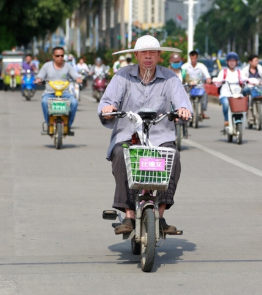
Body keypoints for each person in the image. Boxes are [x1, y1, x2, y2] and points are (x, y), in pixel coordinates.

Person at [98, 35, 192, 234]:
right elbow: (107, 101)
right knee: (121, 156)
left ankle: (160, 214)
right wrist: (108, 108)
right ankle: (129, 215)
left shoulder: (170, 78)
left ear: (159, 56)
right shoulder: (122, 76)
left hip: (161, 137)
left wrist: (183, 109)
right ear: (136, 55)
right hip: (127, 136)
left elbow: (182, 101)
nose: (148, 57)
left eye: (152, 53)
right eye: (144, 53)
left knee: (173, 157)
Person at [35, 47, 83, 128]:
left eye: (62, 55)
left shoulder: (68, 66)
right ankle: (48, 123)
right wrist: (38, 80)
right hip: (49, 93)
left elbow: (76, 76)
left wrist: (79, 79)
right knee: (44, 102)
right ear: (53, 56)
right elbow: (40, 77)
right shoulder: (47, 66)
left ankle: (68, 124)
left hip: (65, 93)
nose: (60, 57)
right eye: (57, 56)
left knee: (74, 102)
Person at [214, 52, 256, 127]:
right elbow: (217, 81)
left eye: (234, 61)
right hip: (225, 94)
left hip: (237, 94)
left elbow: (246, 79)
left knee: (243, 104)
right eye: (230, 61)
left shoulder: (239, 72)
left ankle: (239, 118)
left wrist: (250, 81)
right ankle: (227, 120)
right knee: (226, 104)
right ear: (227, 62)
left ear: (237, 62)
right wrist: (218, 81)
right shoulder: (223, 72)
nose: (232, 63)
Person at [182, 50, 212, 119]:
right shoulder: (185, 66)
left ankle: (203, 112)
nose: (193, 60)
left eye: (194, 58)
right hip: (189, 87)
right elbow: (182, 76)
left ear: (197, 58)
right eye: (192, 58)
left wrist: (208, 79)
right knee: (185, 97)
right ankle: (186, 112)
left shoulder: (201, 66)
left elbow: (207, 75)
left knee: (205, 95)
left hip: (199, 87)